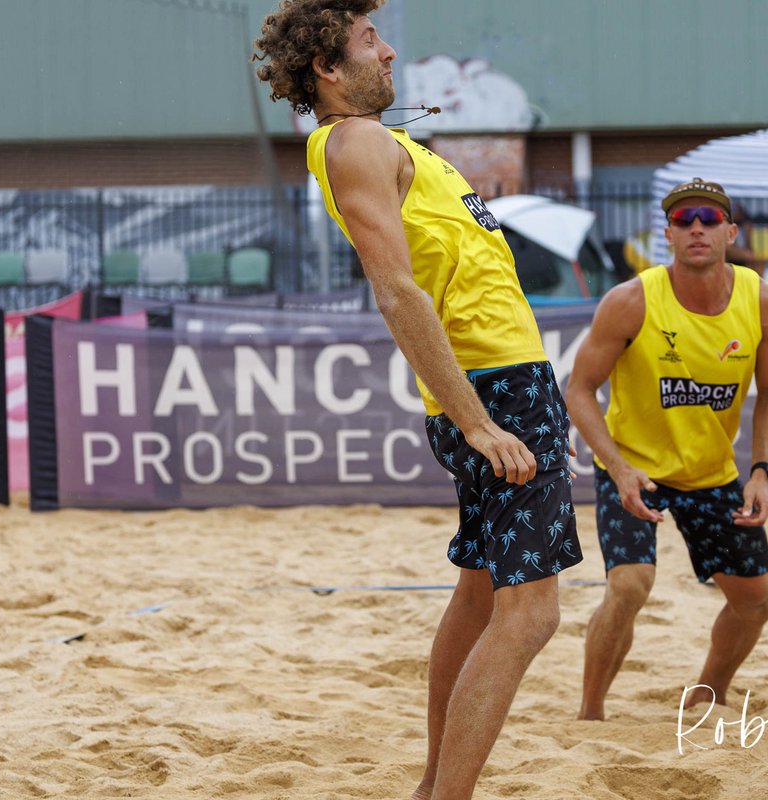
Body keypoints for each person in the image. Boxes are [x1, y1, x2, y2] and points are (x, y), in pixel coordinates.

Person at [252, 3, 582, 798]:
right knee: (531, 616)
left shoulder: (384, 140)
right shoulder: (357, 141)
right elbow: (395, 290)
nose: (390, 50)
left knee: (477, 595)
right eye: (370, 41)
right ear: (328, 69)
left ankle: (434, 784)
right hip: (495, 388)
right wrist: (475, 420)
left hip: (494, 382)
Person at [565, 177, 768, 720]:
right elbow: (578, 389)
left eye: (709, 220)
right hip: (634, 469)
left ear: (730, 232)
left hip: (711, 474)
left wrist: (760, 472)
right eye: (684, 218)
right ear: (667, 232)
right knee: (630, 587)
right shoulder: (631, 301)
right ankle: (591, 712)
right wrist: (616, 468)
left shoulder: (762, 301)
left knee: (758, 601)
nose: (696, 228)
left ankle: (709, 691)